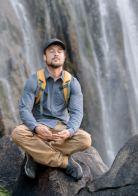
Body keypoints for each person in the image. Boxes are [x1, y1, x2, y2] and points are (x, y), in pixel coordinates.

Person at [11, 38, 91, 180]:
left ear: (64, 57)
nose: (56, 54)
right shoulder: (34, 80)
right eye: (51, 51)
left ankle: (35, 154)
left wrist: (69, 131)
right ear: (44, 57)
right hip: (39, 128)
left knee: (85, 140)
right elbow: (24, 109)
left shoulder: (72, 83)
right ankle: (65, 163)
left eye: (59, 51)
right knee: (17, 134)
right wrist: (36, 128)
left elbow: (77, 112)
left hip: (61, 128)